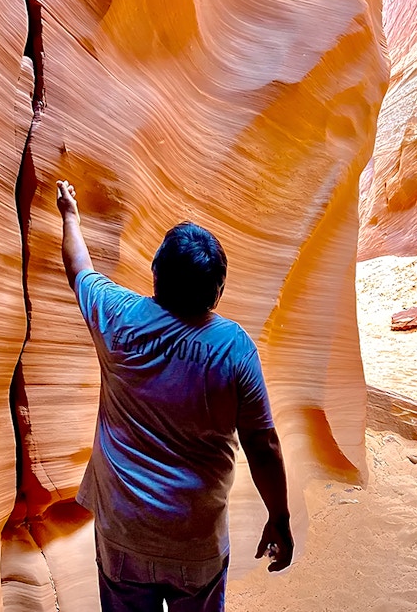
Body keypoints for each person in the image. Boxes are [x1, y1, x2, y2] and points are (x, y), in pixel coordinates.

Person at [55, 179, 293, 612]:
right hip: (194, 539)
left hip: (123, 533)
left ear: (155, 274)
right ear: (216, 292)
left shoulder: (117, 315)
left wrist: (70, 214)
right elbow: (263, 445)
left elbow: (78, 268)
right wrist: (280, 517)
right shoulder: (234, 347)